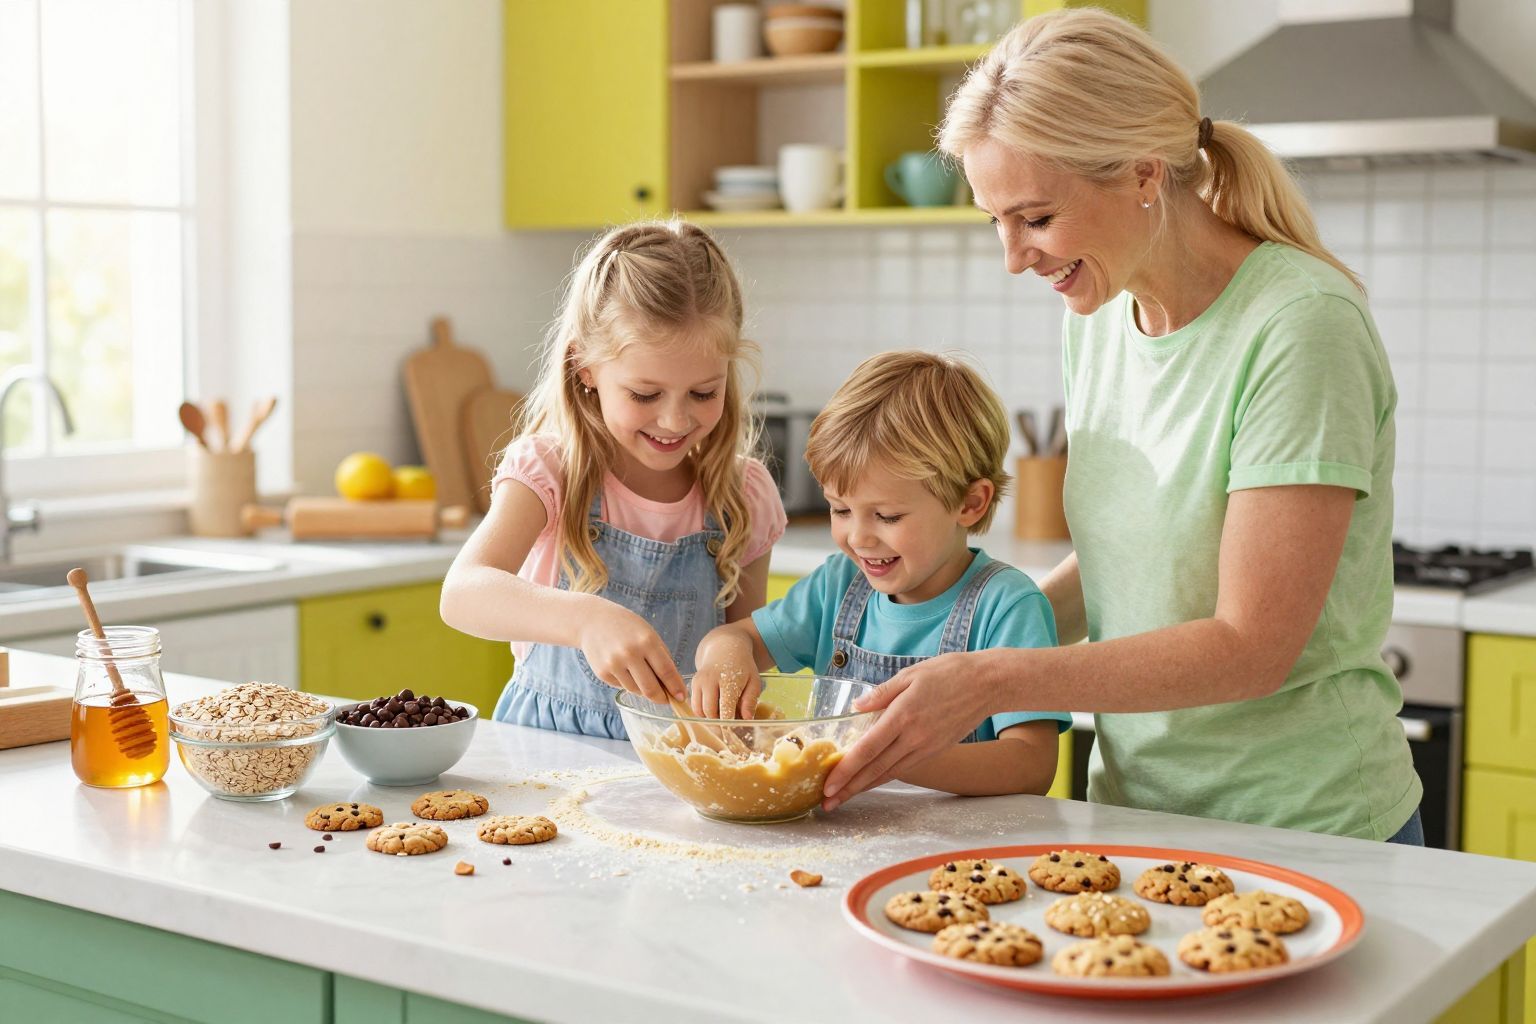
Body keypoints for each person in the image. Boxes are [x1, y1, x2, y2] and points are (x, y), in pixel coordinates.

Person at [820, 10, 1423, 845]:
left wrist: (992, 679)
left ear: (1143, 175)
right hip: (1133, 814)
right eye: (995, 221)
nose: (1014, 257)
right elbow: (1126, 573)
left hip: (1306, 829)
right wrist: (954, 649)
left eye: (1035, 218)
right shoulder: (1102, 312)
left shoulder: (1300, 325)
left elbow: (1252, 646)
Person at [440, 221, 787, 739]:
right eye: (645, 395)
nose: (674, 419)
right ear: (585, 368)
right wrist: (585, 619)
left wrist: (736, 665)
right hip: (546, 753)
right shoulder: (550, 471)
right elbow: (463, 593)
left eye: (703, 392)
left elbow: (747, 645)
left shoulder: (744, 496)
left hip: (681, 757)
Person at [692, 351, 1068, 797]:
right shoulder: (838, 585)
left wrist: (891, 756)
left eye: (887, 516)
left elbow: (1031, 764)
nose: (858, 538)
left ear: (970, 504)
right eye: (840, 510)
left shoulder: (1006, 606)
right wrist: (724, 657)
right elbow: (735, 639)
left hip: (956, 835)